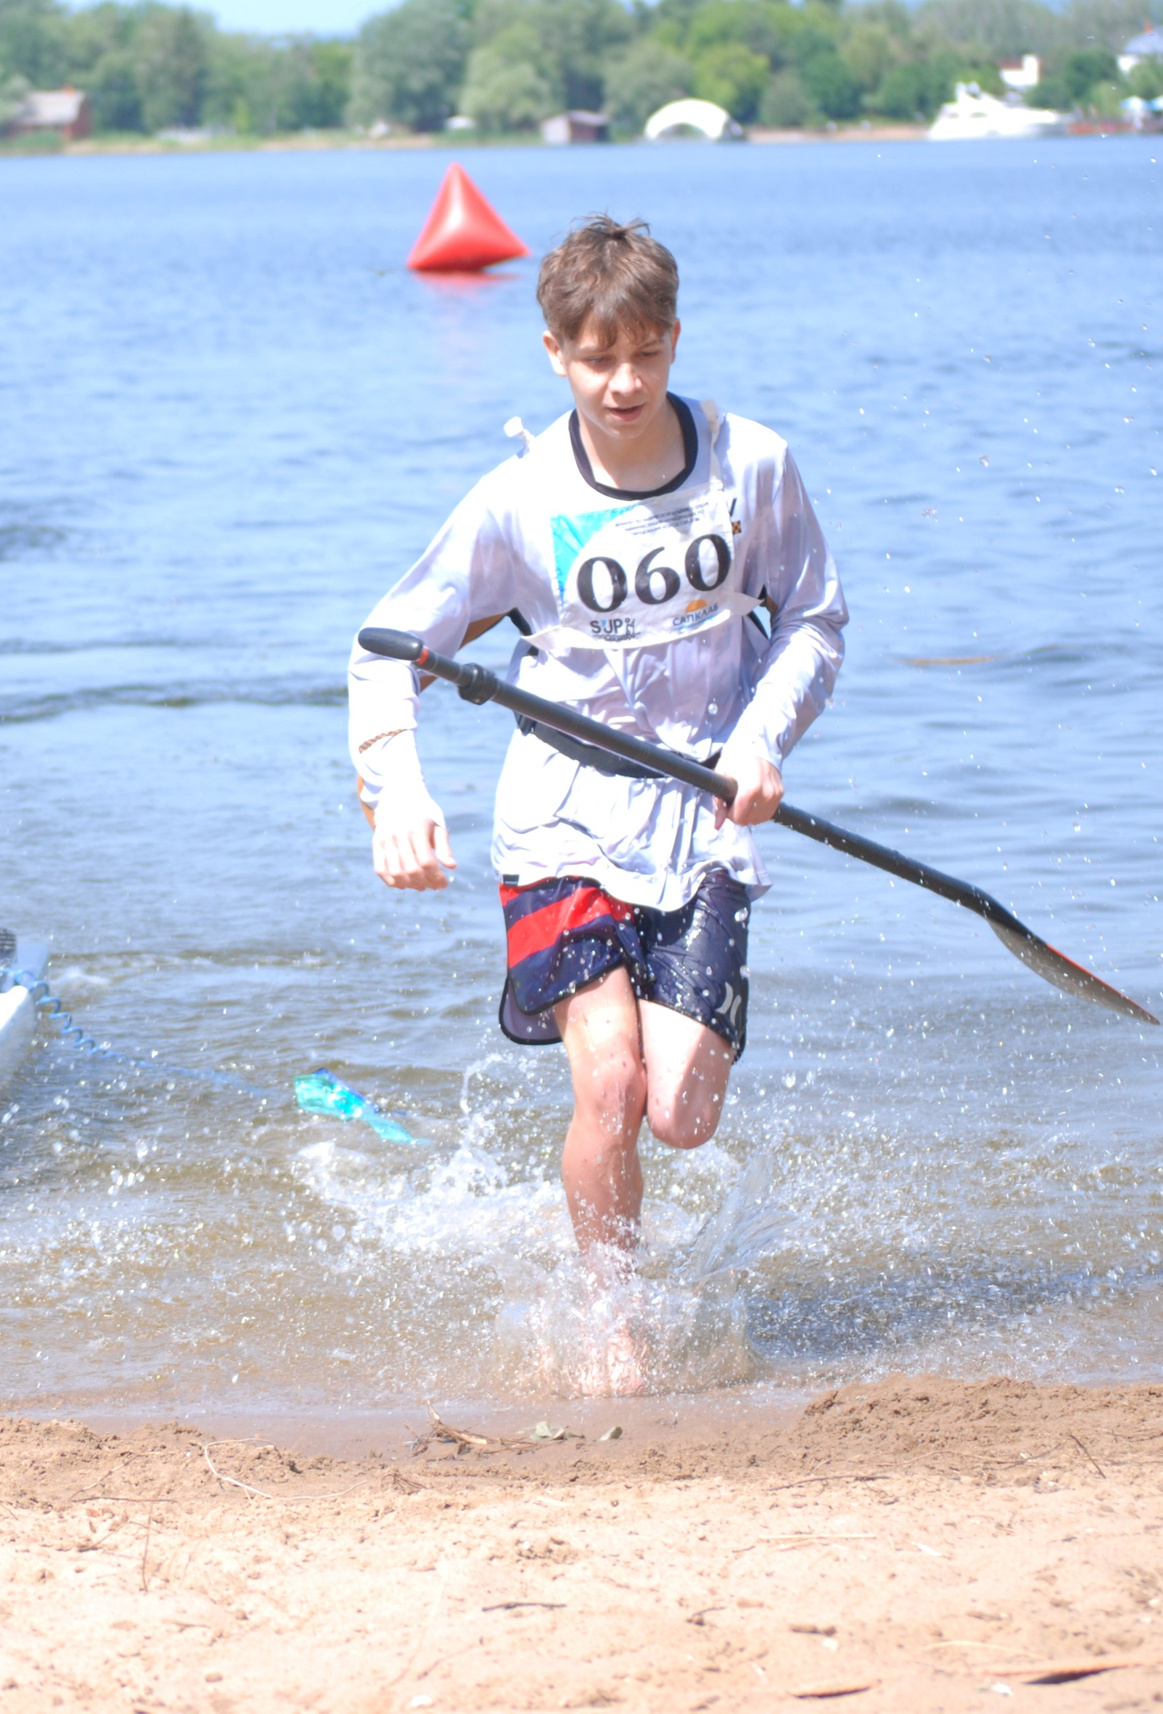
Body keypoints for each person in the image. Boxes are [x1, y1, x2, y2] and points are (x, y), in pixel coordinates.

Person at [346, 216, 846, 1275]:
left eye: (646, 352)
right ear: (553, 353)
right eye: (596, 357)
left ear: (675, 338)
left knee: (678, 1113)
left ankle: (603, 1213)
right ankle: (610, 1306)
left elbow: (811, 619)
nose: (624, 382)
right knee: (609, 1083)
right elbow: (386, 647)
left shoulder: (750, 466)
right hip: (558, 819)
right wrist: (395, 788)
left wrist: (763, 740)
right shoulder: (517, 500)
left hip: (703, 818)